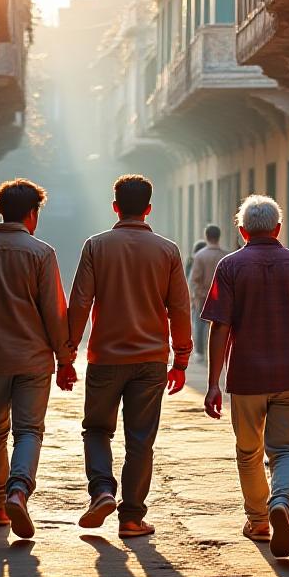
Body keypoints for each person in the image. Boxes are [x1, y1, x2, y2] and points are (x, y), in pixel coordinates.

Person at [201, 195, 289, 558]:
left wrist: (213, 382)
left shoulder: (230, 266)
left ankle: (258, 520)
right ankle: (283, 503)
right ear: (277, 229)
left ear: (241, 231)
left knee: (249, 451)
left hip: (245, 378)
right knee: (288, 449)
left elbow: (220, 327)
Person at [64, 174, 192, 538]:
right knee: (140, 440)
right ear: (149, 208)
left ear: (115, 207)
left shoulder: (96, 246)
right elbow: (179, 309)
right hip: (151, 360)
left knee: (96, 430)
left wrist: (68, 351)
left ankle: (102, 490)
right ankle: (132, 518)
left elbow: (80, 303)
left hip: (105, 357)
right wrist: (181, 358)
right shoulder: (167, 250)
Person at [0, 179, 72, 540]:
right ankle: (19, 489)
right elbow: (54, 312)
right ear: (32, 214)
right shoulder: (41, 252)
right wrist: (65, 358)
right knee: (28, 430)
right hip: (33, 359)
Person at [188, 225, 229, 361]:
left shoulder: (200, 256)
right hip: (222, 296)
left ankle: (199, 353)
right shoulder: (225, 256)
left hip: (204, 295)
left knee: (200, 324)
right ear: (219, 236)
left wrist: (195, 295)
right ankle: (221, 352)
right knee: (221, 325)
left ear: (206, 237)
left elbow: (194, 279)